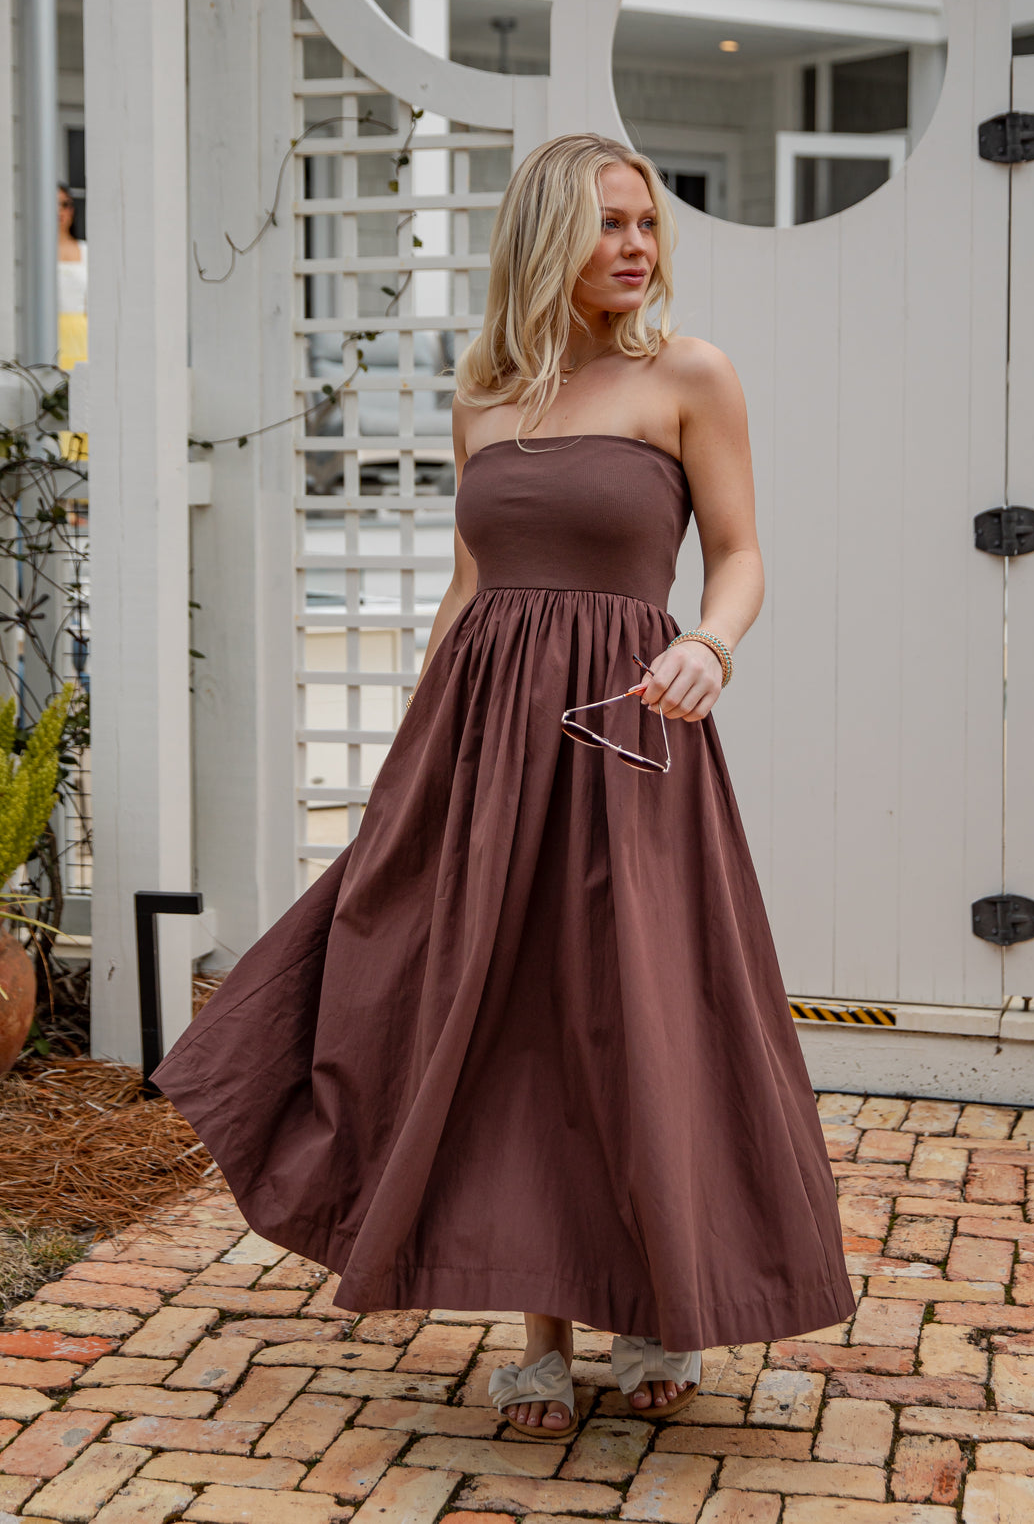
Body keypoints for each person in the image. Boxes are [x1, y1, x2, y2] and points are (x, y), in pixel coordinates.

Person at [152, 132, 857, 1441]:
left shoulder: (688, 375)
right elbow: (471, 585)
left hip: (625, 743)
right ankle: (541, 1333)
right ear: (544, 239)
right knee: (501, 1016)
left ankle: (655, 1307)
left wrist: (709, 645)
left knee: (633, 1015)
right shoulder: (483, 394)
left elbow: (742, 552)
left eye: (645, 224)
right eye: (608, 224)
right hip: (484, 745)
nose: (636, 246)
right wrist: (418, 751)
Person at [56, 183, 88, 371]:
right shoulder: (35, 253)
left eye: (65, 204)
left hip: (82, 337)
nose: (59, 211)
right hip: (50, 334)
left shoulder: (86, 250)